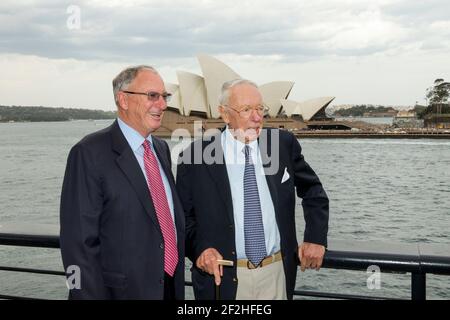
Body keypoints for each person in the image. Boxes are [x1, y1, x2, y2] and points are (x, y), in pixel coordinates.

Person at [176, 79, 329, 300]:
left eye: (260, 109)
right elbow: (183, 218)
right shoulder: (194, 157)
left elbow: (314, 191)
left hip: (276, 275)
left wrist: (315, 237)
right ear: (225, 114)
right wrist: (200, 249)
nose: (257, 118)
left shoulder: (282, 144)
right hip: (223, 281)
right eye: (246, 110)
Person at [60, 65, 185, 300]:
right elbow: (78, 246)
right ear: (123, 100)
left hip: (168, 289)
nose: (162, 104)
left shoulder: (160, 149)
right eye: (152, 96)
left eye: (164, 96)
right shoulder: (88, 153)